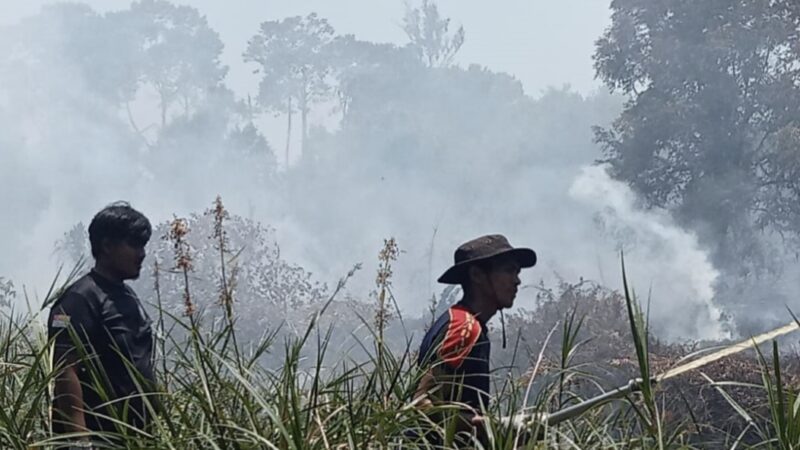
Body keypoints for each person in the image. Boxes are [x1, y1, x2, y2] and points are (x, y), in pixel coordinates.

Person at [410, 234, 536, 446]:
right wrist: (496, 427)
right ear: (477, 275)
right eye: (508, 270)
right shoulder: (464, 327)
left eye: (517, 272)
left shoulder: (466, 323)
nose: (517, 281)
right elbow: (422, 405)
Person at [48, 202, 156, 448]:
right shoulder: (79, 299)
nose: (142, 254)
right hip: (99, 440)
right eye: (134, 244)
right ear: (107, 246)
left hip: (134, 438)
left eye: (143, 245)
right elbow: (65, 370)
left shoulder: (127, 296)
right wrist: (79, 442)